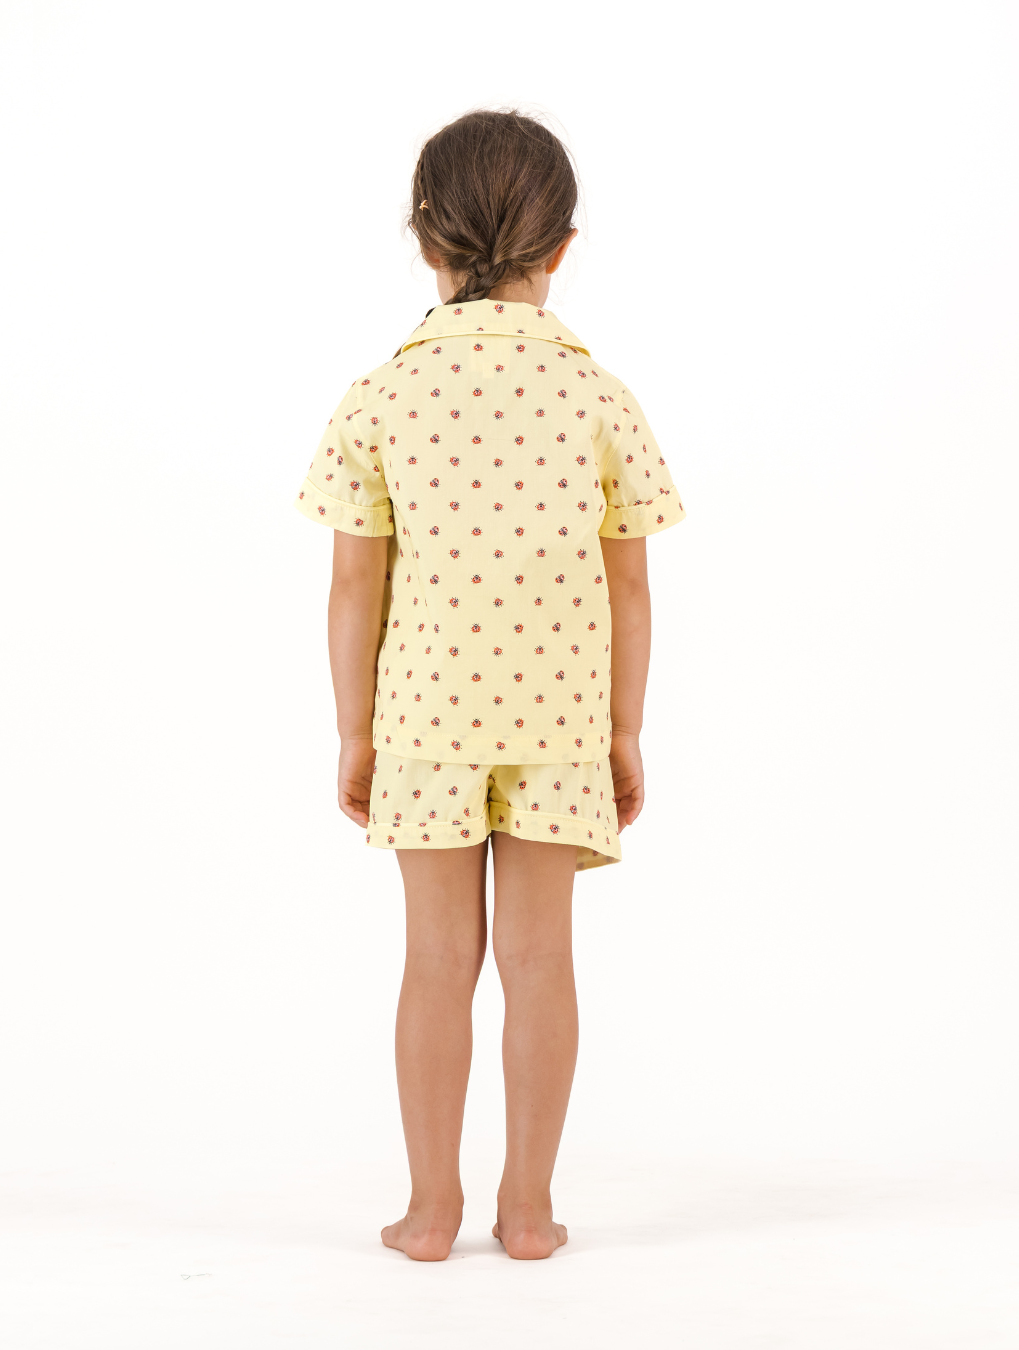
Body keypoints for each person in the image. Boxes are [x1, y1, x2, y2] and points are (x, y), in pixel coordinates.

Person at [294, 109, 685, 1261]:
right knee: (540, 962)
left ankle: (430, 1212)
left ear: (426, 242)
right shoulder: (600, 397)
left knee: (434, 962)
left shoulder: (381, 395)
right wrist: (625, 730)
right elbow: (629, 586)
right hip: (561, 717)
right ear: (562, 246)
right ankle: (527, 1210)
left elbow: (354, 584)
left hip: (422, 715)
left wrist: (354, 733)